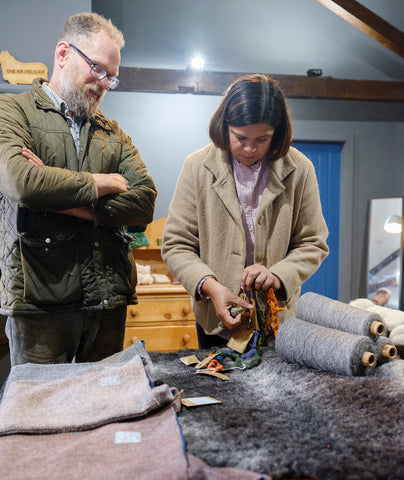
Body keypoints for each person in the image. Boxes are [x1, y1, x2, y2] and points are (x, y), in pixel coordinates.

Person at [0, 12, 157, 366]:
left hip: (108, 298)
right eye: (98, 69)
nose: (103, 84)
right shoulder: (12, 111)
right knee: (41, 412)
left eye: (112, 78)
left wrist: (59, 202)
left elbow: (144, 201)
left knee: (103, 409)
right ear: (62, 53)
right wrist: (104, 183)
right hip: (40, 299)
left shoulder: (112, 131)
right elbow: (22, 182)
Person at [162, 74, 329, 348]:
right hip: (214, 325)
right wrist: (211, 287)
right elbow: (176, 245)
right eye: (240, 137)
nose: (250, 148)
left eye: (262, 139)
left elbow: (313, 243)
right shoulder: (196, 167)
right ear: (224, 125)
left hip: (278, 324)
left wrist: (277, 275)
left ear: (278, 133)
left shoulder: (300, 170)